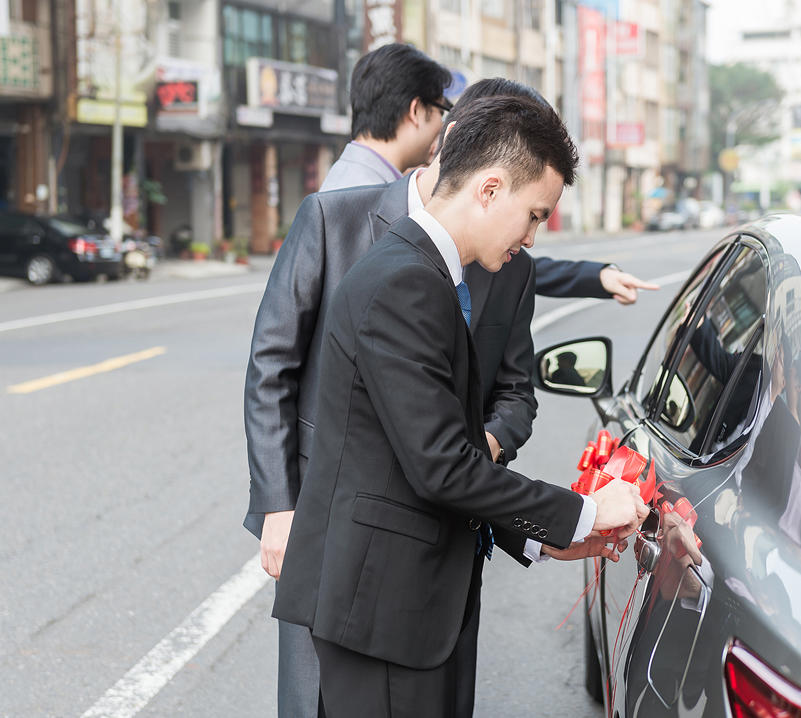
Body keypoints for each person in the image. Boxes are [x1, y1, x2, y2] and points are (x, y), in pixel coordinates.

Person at [245, 79, 632, 718]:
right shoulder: (408, 282)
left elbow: (423, 457)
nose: (534, 237)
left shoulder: (421, 269)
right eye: (535, 213)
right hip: (382, 608)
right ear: (489, 189)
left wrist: (540, 536)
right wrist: (583, 513)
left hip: (407, 602)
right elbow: (442, 465)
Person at [323, 50, 655, 303]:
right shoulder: (336, 211)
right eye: (440, 109)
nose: (529, 238)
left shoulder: (476, 228)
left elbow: (514, 266)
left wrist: (593, 277)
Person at [320, 43, 453, 191]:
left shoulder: (346, 178)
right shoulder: (372, 197)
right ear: (415, 111)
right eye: (441, 112)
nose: (441, 125)